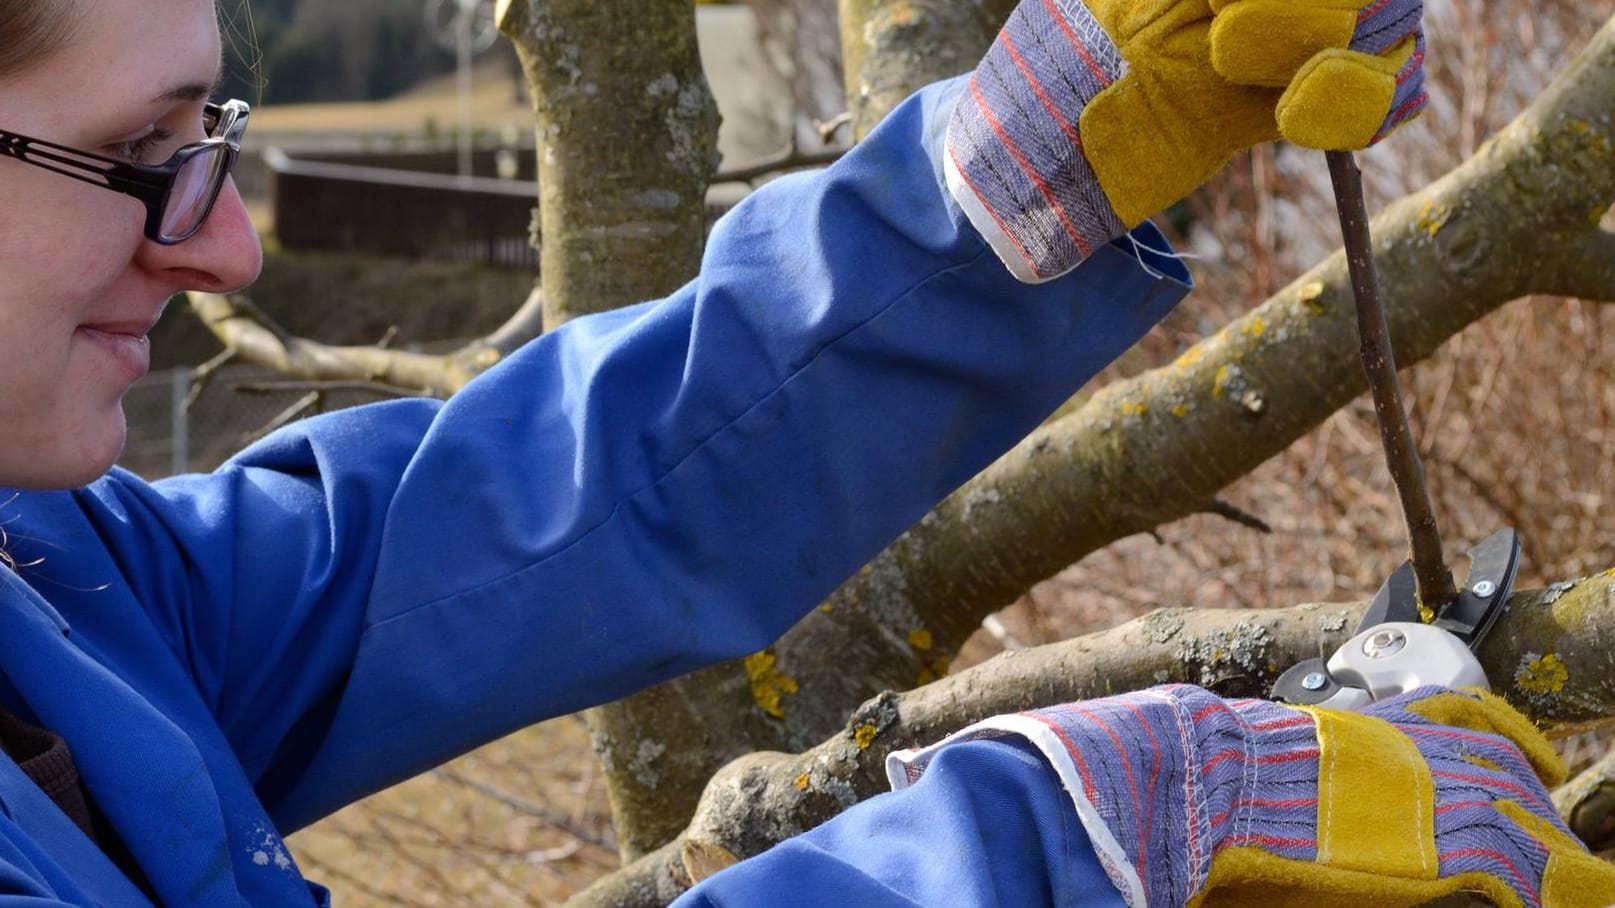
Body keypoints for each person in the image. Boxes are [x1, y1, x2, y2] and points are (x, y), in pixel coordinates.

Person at [0, 0, 1607, 905]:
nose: (228, 255)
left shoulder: (52, 573)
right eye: (144, 154)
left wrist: (1034, 161)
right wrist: (1076, 839)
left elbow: (522, 521)